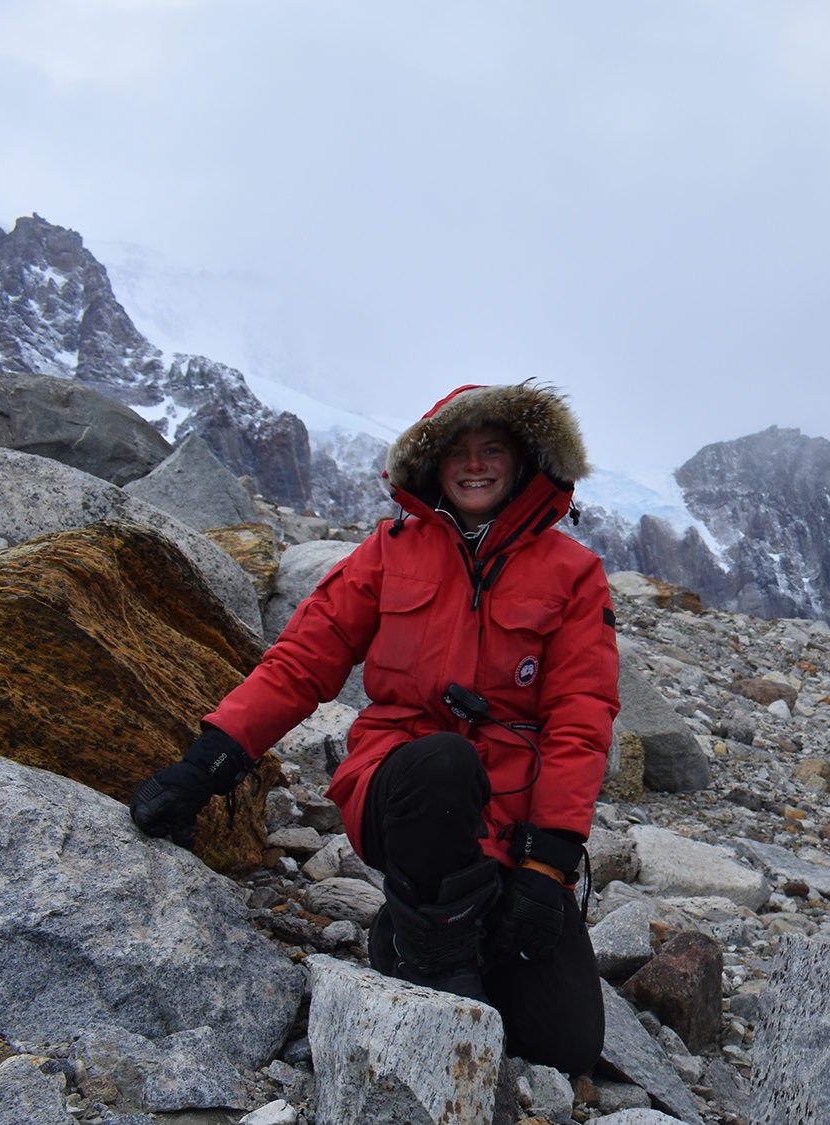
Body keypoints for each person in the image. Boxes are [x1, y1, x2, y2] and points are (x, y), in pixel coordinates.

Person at [131, 381, 619, 1075]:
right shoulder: (389, 552)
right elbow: (303, 661)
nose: (474, 465)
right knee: (443, 762)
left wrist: (548, 865)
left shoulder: (574, 574)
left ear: (523, 462)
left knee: (565, 1040)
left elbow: (581, 719)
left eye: (493, 450)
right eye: (458, 451)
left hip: (508, 819)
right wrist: (210, 760)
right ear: (433, 464)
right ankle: (435, 959)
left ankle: (420, 933)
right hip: (404, 782)